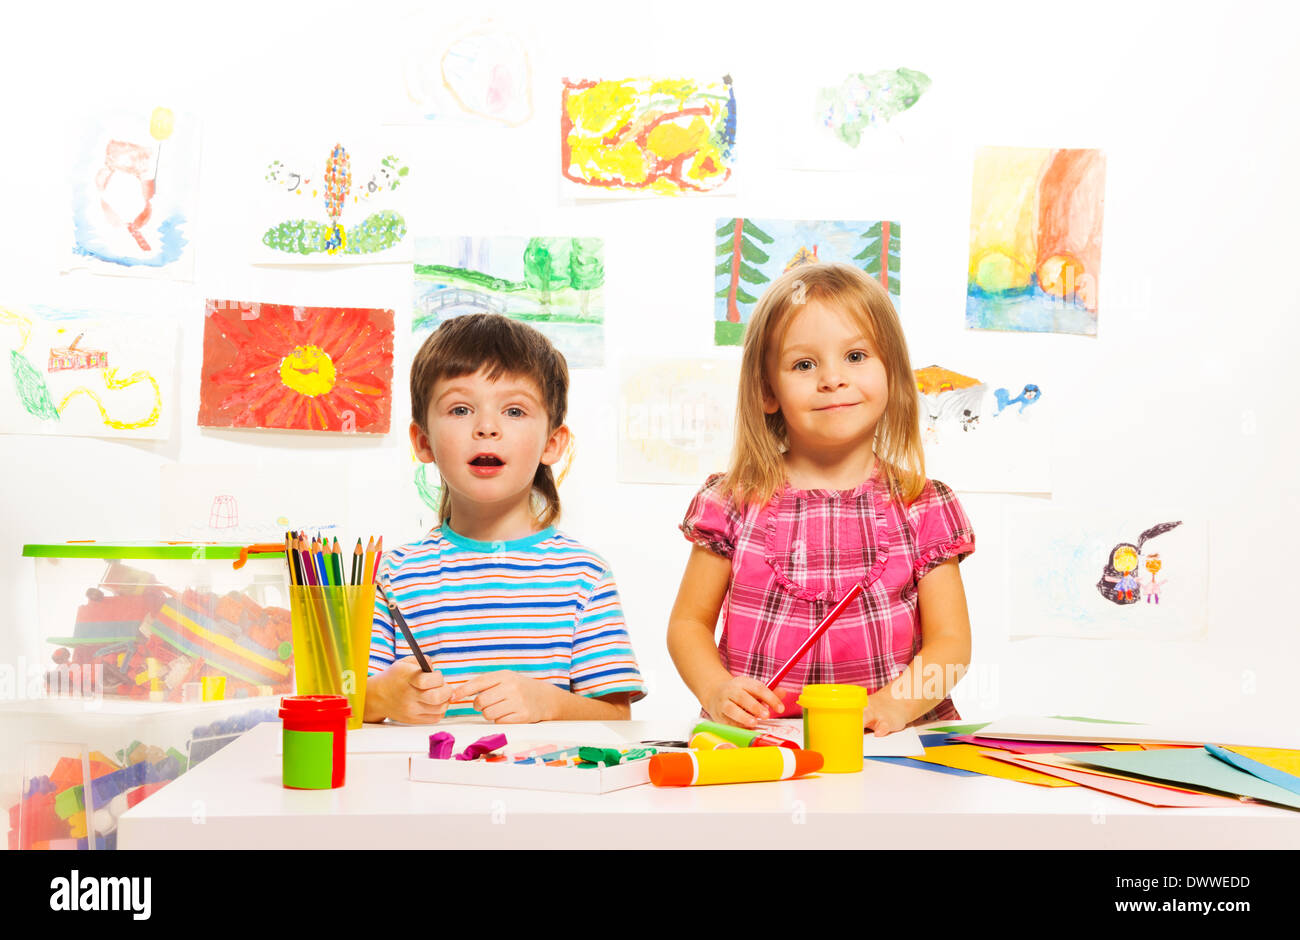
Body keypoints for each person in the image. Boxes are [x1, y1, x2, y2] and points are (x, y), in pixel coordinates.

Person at [667, 263, 974, 736]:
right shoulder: (731, 501)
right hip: (762, 741)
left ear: (890, 372)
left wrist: (892, 706)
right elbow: (688, 624)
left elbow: (951, 646)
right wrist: (715, 690)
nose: (832, 379)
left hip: (892, 743)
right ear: (768, 391)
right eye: (804, 364)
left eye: (855, 356)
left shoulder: (923, 505)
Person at [365, 313, 646, 723]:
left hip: (546, 787)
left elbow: (616, 716)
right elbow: (348, 703)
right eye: (460, 409)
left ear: (553, 444)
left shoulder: (584, 575)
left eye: (514, 411)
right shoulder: (392, 574)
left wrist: (549, 703)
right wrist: (382, 700)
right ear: (422, 441)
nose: (486, 427)